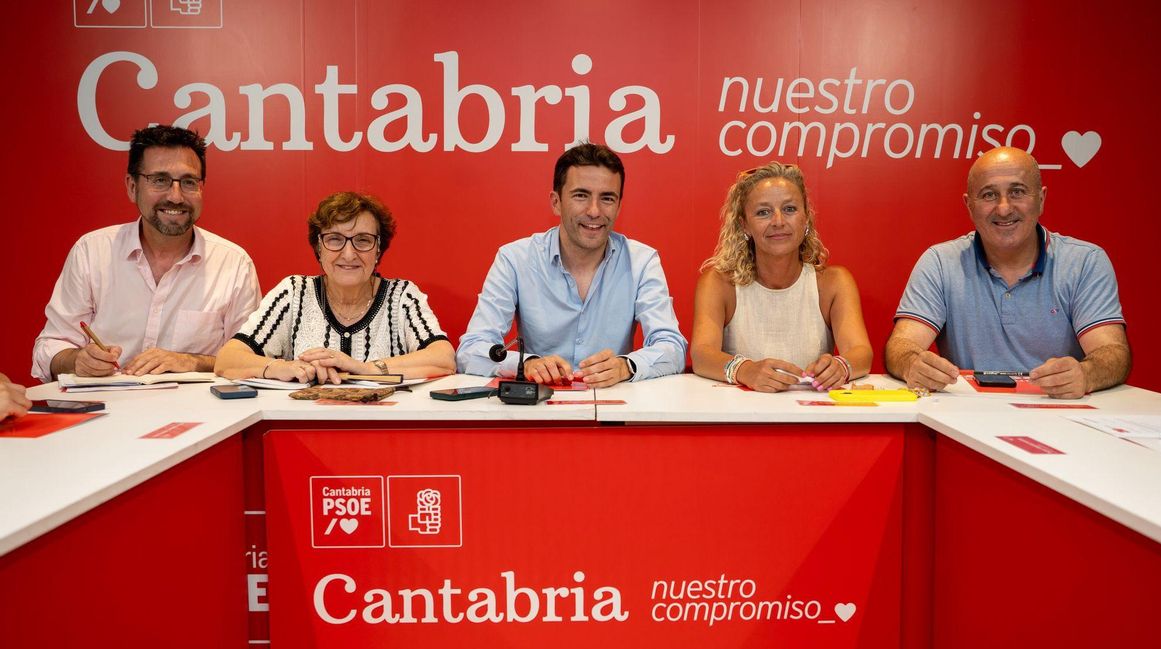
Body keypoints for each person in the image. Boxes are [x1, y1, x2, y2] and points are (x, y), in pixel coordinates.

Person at [885, 146, 1130, 399]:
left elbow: (1112, 351)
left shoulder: (1085, 262)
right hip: (967, 418)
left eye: (1017, 192)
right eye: (989, 195)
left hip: (1061, 416)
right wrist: (912, 364)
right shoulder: (939, 262)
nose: (1003, 208)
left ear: (1041, 199)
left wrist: (1087, 373)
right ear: (969, 205)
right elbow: (901, 346)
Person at [32, 126, 261, 382]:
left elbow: (250, 360)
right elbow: (50, 347)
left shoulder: (233, 263)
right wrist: (79, 361)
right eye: (160, 180)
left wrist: (190, 361)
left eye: (188, 182)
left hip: (200, 416)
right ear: (132, 186)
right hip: (106, 412)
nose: (175, 197)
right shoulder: (92, 252)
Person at [457, 142, 687, 387]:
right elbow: (471, 349)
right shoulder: (515, 259)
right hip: (538, 410)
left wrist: (626, 366)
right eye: (581, 195)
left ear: (619, 206)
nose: (594, 211)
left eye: (607, 198)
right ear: (556, 202)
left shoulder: (642, 261)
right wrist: (525, 363)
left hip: (614, 408)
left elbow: (672, 347)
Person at [214, 192, 455, 384]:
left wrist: (366, 369)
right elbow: (228, 359)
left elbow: (443, 358)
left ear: (378, 248)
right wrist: (283, 368)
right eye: (334, 239)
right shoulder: (294, 292)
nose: (348, 254)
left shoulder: (402, 295)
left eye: (363, 240)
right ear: (318, 247)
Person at [691, 162, 872, 392]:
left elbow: (861, 352)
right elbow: (701, 354)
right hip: (740, 419)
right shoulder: (718, 283)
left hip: (812, 417)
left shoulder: (835, 282)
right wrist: (745, 370)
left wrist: (841, 366)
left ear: (805, 218)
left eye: (789, 209)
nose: (778, 221)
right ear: (744, 225)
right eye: (763, 212)